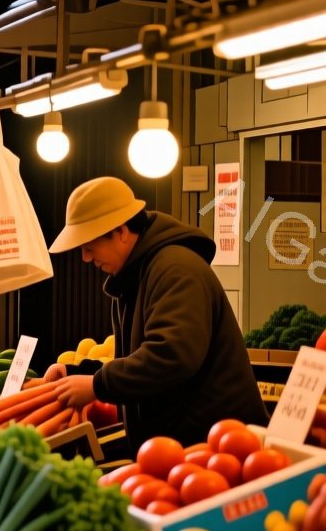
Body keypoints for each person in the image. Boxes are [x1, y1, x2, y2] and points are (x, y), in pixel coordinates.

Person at [41, 177, 267, 445]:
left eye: (89, 247)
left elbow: (172, 355)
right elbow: (138, 359)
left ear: (122, 232)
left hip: (216, 446)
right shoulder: (134, 276)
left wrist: (97, 386)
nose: (86, 258)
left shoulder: (176, 270)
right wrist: (82, 372)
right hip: (178, 448)